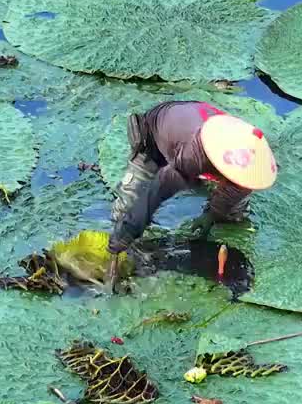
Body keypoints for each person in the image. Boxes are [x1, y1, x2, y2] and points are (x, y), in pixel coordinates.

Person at [106, 101, 277, 288]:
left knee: (232, 212)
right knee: (128, 208)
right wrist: (129, 229)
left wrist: (211, 215)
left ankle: (210, 195)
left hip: (195, 132)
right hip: (157, 136)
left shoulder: (250, 155)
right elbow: (157, 192)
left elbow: (238, 188)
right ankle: (119, 255)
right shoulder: (193, 155)